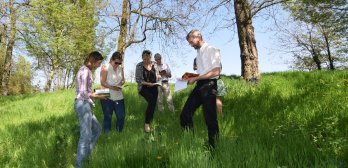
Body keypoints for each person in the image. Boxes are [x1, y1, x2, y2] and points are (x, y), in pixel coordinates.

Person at [180, 29, 221, 148]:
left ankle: (214, 147)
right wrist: (189, 78)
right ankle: (190, 141)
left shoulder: (212, 49)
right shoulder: (198, 55)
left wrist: (196, 79)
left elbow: (216, 72)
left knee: (210, 118)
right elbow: (202, 72)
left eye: (191, 41)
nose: (190, 44)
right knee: (185, 114)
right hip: (200, 85)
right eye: (189, 42)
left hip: (210, 85)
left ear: (198, 36)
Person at [74, 51, 106, 168]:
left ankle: (86, 156)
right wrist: (98, 96)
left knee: (97, 129)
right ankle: (80, 165)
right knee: (85, 136)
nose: (98, 65)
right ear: (92, 61)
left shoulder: (85, 71)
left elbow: (86, 91)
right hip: (82, 105)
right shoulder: (85, 71)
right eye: (98, 63)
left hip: (84, 104)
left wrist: (95, 91)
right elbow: (83, 93)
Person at [100, 51, 126, 134]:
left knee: (121, 116)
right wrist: (113, 88)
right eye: (116, 62)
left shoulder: (120, 68)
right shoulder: (105, 67)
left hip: (118, 95)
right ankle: (107, 135)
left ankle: (119, 132)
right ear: (112, 59)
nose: (117, 64)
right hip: (106, 95)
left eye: (119, 63)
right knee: (108, 116)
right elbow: (102, 82)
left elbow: (123, 80)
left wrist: (121, 84)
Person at [135, 50, 160, 133]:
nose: (146, 61)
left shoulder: (155, 64)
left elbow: (157, 75)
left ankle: (150, 121)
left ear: (150, 57)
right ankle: (146, 124)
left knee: (153, 104)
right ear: (142, 58)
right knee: (152, 101)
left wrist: (159, 77)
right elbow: (138, 80)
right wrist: (147, 83)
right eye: (144, 59)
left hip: (154, 87)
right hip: (143, 87)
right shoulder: (139, 66)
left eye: (148, 59)